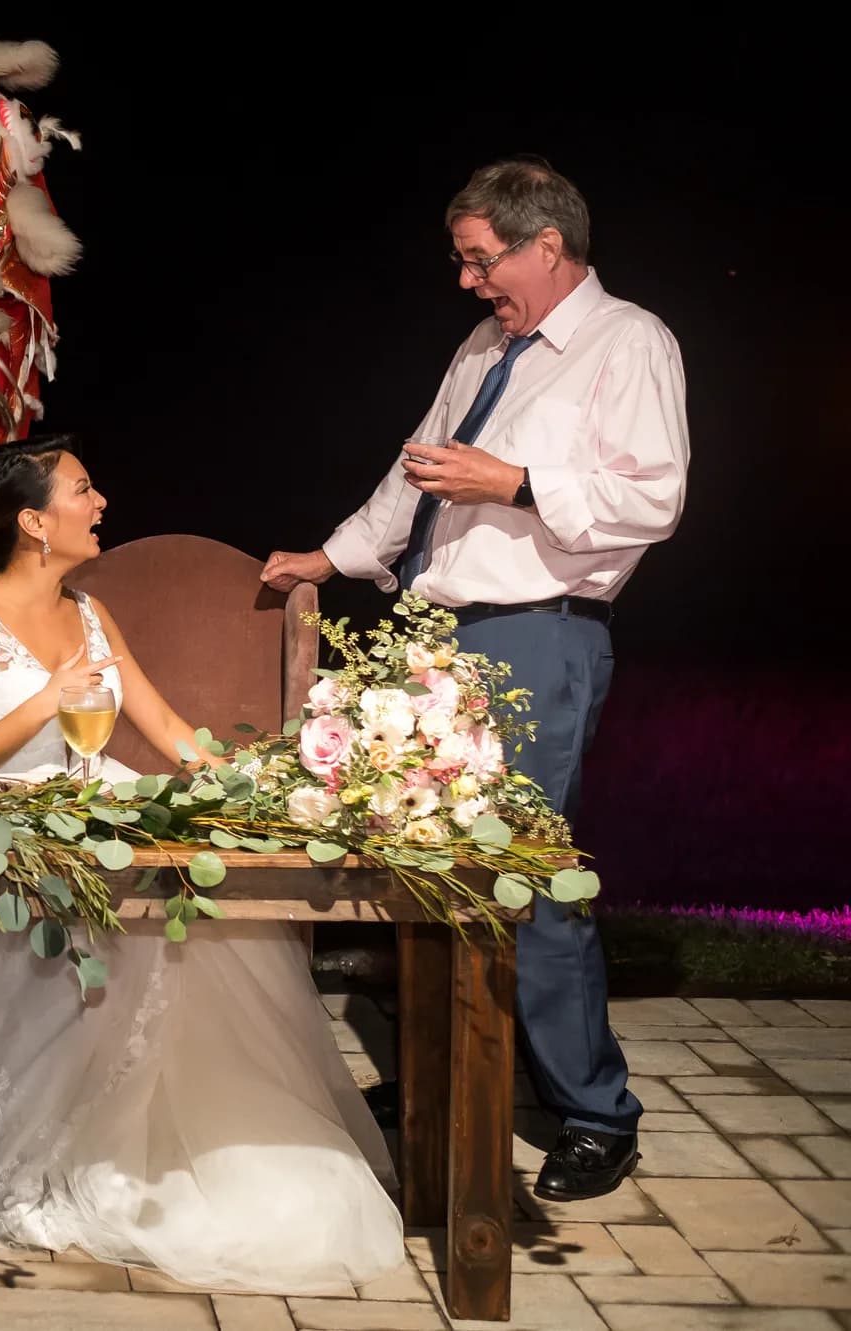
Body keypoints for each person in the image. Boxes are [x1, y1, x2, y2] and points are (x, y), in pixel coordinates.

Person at [0, 436, 406, 1294]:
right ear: (34, 522)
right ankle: (51, 1140)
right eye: (82, 488)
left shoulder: (93, 613)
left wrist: (263, 782)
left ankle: (167, 1138)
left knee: (184, 906)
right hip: (7, 833)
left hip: (95, 810)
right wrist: (44, 700)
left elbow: (167, 728)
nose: (100, 501)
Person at [263, 156, 688, 1202]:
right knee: (426, 870)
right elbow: (412, 474)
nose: (466, 281)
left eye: (479, 259)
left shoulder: (627, 340)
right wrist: (330, 557)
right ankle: (447, 1075)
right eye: (461, 262)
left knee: (523, 878)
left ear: (546, 244)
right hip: (437, 637)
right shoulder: (486, 347)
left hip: (537, 637)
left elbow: (655, 495)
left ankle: (594, 1113)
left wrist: (516, 482)